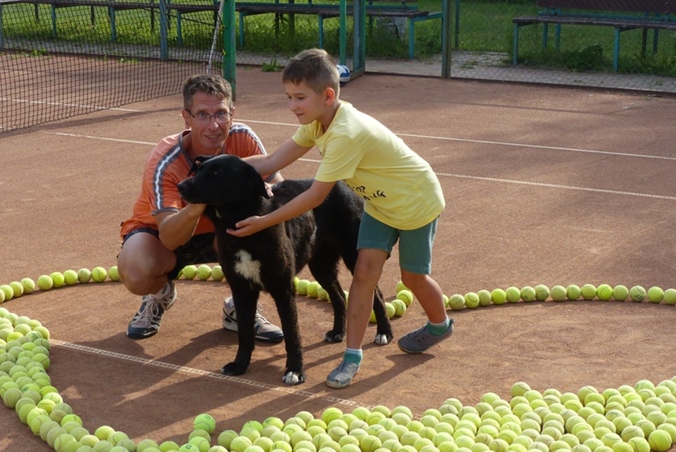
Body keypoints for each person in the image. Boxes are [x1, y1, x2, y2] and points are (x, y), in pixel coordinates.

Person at [230, 49, 451, 389]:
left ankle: (439, 326)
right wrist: (225, 167)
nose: (292, 106)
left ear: (328, 96)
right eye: (289, 97)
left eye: (299, 98)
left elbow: (315, 197)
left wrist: (263, 222)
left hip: (415, 203)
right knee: (363, 273)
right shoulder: (319, 122)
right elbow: (272, 160)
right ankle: (352, 356)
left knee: (413, 278)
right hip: (380, 205)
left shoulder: (345, 134)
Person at [117, 74, 284, 343]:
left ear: (232, 114)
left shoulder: (243, 138)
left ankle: (241, 308)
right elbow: (171, 236)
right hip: (163, 235)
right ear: (187, 118)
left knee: (275, 237)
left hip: (225, 232)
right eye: (202, 115)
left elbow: (277, 192)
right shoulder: (165, 160)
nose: (214, 125)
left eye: (221, 113)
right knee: (137, 272)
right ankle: (160, 295)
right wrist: (200, 199)